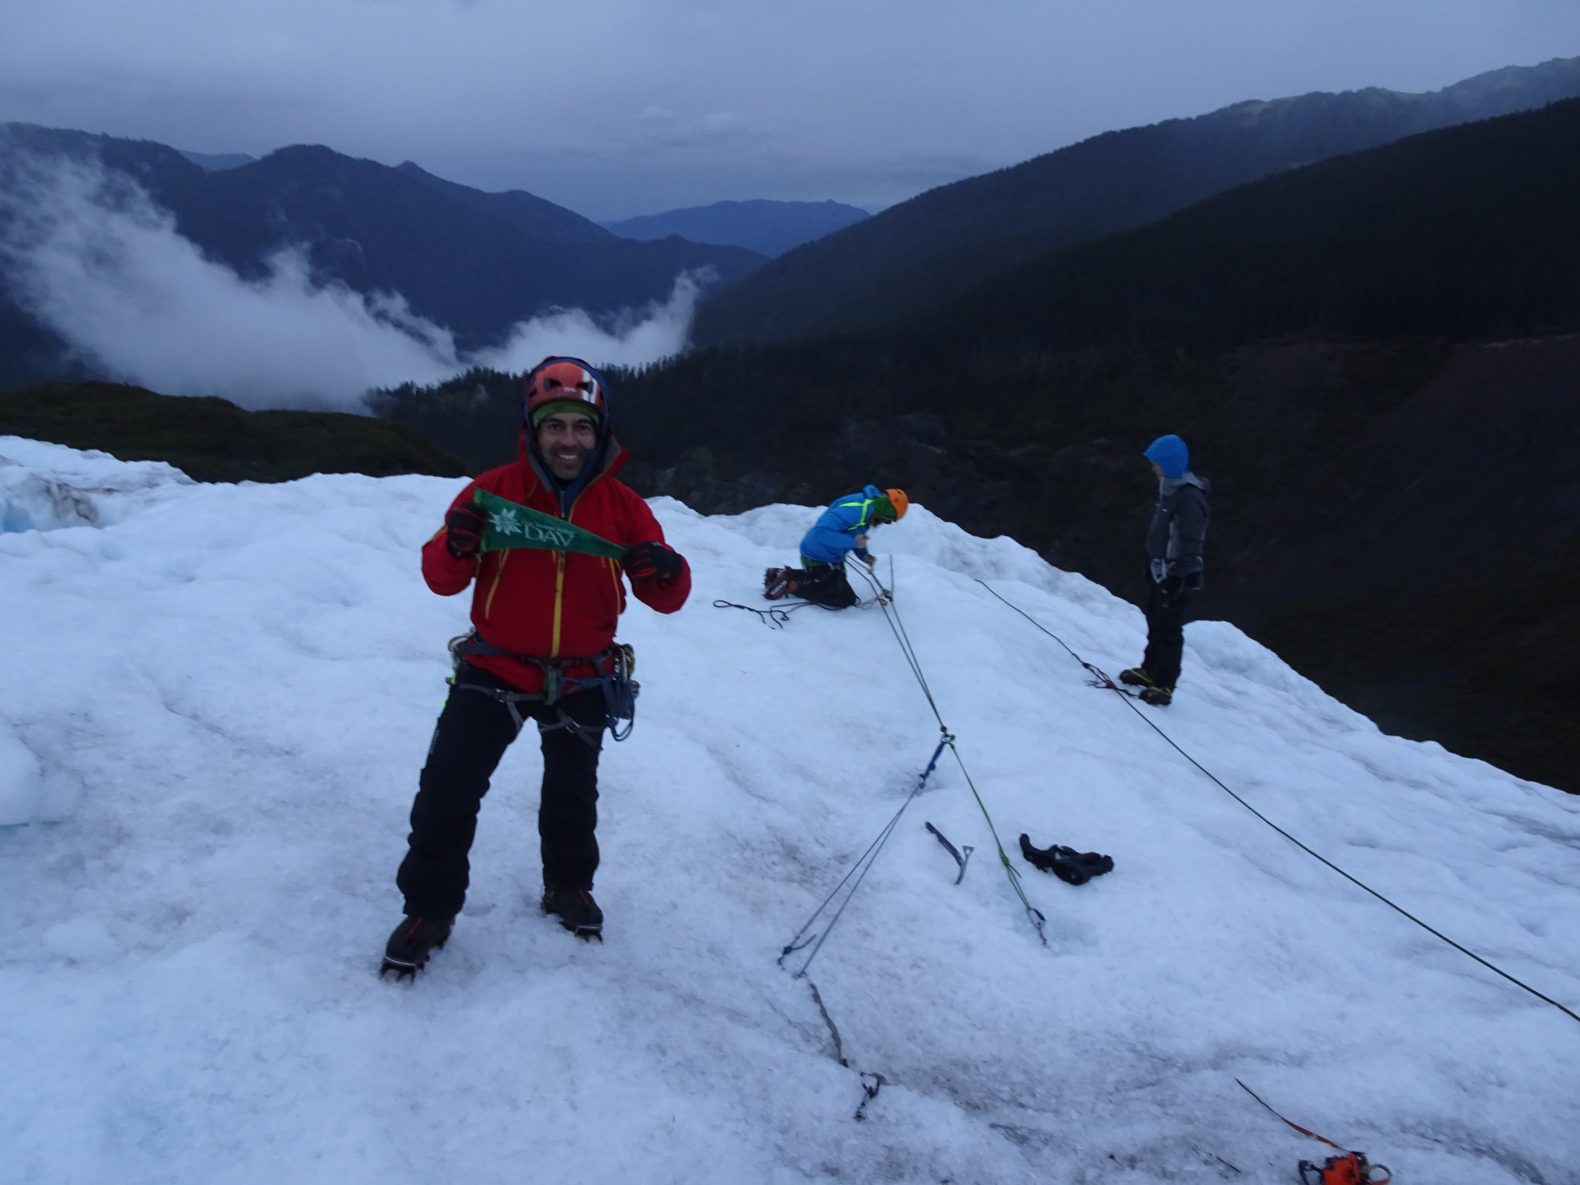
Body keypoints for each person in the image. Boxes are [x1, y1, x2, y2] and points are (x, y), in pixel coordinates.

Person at [383, 356, 691, 974]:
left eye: (580, 427)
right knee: (448, 789)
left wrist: (666, 567)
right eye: (556, 427)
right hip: (496, 666)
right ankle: (430, 908)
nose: (569, 441)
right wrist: (457, 541)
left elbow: (667, 596)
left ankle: (567, 884)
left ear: (599, 433)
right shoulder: (491, 494)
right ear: (534, 430)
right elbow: (439, 578)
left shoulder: (623, 508)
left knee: (572, 794)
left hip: (583, 672)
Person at [1119, 434, 1209, 706]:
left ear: (1168, 463)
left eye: (1156, 463)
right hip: (1162, 571)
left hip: (1177, 576)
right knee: (1156, 621)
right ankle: (1149, 671)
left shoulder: (1189, 497)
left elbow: (1191, 543)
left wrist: (1177, 577)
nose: (1152, 468)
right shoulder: (1169, 488)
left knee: (1169, 629)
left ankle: (1165, 684)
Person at [763, 484, 909, 608]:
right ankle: (793, 585)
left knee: (836, 583)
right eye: (889, 520)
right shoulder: (856, 510)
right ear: (887, 512)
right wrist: (853, 543)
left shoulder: (869, 508)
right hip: (817, 555)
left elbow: (855, 533)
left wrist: (863, 555)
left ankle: (779, 574)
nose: (886, 523)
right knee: (845, 599)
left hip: (830, 557)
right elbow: (820, 533)